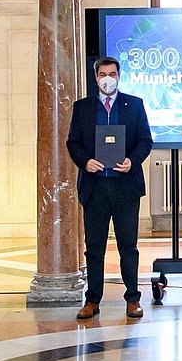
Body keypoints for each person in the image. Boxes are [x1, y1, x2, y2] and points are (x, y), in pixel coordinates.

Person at [66, 57, 153, 321]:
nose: (107, 78)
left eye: (112, 74)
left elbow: (145, 140)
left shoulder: (134, 105)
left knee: (128, 247)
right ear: (95, 78)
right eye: (103, 74)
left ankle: (133, 299)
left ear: (119, 76)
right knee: (94, 248)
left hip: (125, 188)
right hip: (95, 188)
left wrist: (132, 161)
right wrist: (85, 162)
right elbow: (73, 143)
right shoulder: (82, 108)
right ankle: (92, 300)